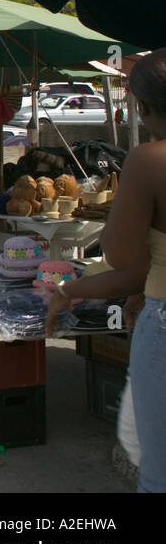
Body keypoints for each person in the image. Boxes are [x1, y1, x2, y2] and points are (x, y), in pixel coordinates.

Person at [45, 49, 166, 492]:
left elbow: (120, 256)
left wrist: (67, 290)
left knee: (157, 470)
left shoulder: (149, 160)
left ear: (143, 106)